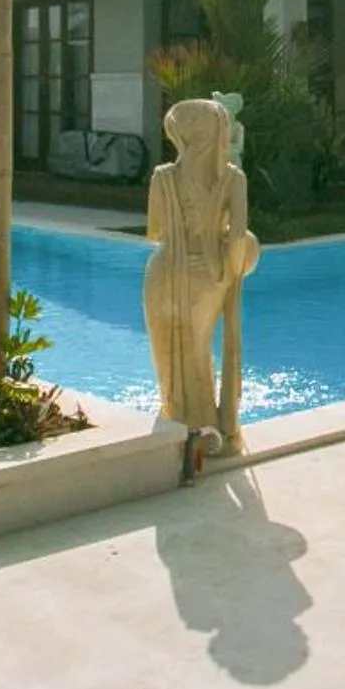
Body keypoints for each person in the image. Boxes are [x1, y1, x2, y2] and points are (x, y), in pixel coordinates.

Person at [145, 96, 260, 478]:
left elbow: (155, 232)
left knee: (168, 361)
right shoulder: (233, 179)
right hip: (208, 276)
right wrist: (233, 272)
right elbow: (239, 236)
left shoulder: (162, 177)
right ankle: (206, 437)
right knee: (196, 357)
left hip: (162, 272)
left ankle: (180, 434)